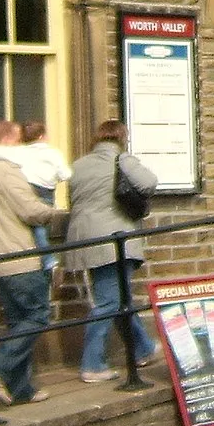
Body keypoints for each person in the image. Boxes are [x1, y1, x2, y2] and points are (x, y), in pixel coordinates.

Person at [64, 119, 160, 383]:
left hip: (83, 240)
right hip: (113, 240)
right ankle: (92, 364)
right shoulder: (122, 159)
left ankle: (144, 348)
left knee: (120, 298)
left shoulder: (78, 166)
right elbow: (150, 183)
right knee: (108, 302)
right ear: (121, 138)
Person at [0, 120, 59, 405]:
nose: (23, 146)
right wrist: (51, 210)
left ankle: (21, 389)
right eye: (20, 140)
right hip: (19, 259)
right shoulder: (7, 173)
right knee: (37, 316)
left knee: (17, 322)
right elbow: (30, 211)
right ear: (9, 140)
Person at [0, 121, 72, 276]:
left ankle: (43, 260)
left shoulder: (21, 152)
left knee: (35, 228)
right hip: (47, 191)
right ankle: (47, 260)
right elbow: (66, 174)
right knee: (41, 226)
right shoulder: (52, 153)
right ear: (42, 136)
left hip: (28, 189)